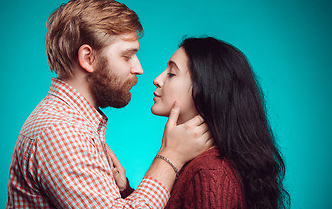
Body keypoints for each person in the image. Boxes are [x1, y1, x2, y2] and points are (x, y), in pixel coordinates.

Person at [6, 0, 213, 208]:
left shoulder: (72, 123)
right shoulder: (61, 132)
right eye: (127, 56)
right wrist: (171, 156)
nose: (139, 69)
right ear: (88, 58)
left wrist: (123, 191)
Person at [114, 36, 290, 208]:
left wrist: (168, 155)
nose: (157, 80)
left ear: (204, 90)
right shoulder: (200, 164)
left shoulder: (209, 172)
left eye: (171, 73)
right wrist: (125, 190)